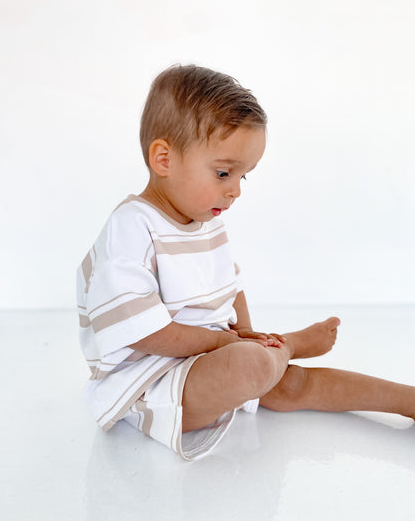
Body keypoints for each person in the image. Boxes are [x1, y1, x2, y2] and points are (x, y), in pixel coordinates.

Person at [76, 64, 415, 460]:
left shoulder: (204, 218)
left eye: (243, 177)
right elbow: (146, 334)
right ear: (164, 159)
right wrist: (230, 343)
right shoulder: (131, 227)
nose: (235, 191)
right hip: (150, 381)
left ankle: (406, 399)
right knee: (251, 368)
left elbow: (229, 290)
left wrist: (248, 333)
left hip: (211, 357)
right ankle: (290, 346)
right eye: (223, 173)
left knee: (290, 385)